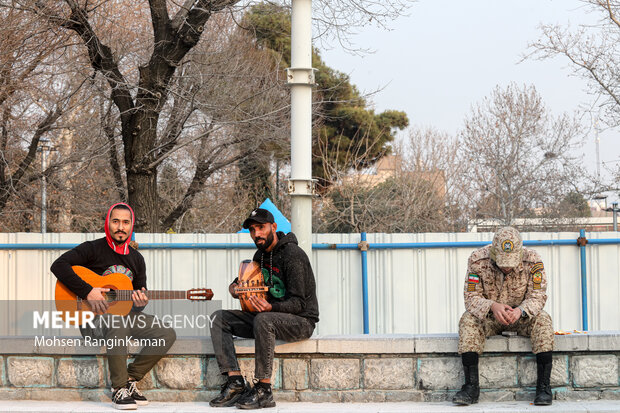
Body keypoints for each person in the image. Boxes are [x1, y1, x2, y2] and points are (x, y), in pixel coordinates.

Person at [51, 203, 176, 410]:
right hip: (91, 321)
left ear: (131, 225)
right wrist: (87, 291)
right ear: (108, 223)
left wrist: (139, 304)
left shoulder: (137, 259)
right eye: (116, 221)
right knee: (116, 320)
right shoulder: (92, 249)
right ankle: (118, 389)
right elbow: (58, 265)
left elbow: (133, 303)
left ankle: (130, 379)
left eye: (125, 222)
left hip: (120, 318)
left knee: (166, 333)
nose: (121, 227)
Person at [209, 208, 319, 409]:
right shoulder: (259, 255)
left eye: (261, 227)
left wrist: (271, 306)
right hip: (267, 318)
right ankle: (235, 383)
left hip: (301, 320)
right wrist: (234, 288)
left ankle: (264, 390)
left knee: (263, 319)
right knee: (219, 317)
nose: (256, 234)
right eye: (252, 230)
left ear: (273, 227)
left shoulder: (293, 255)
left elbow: (300, 303)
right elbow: (243, 279)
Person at [453, 227, 554, 406]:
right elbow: (470, 298)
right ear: (492, 252)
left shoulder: (533, 261)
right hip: (491, 318)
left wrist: (521, 310)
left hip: (522, 317)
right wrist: (492, 306)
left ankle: (544, 388)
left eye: (511, 263)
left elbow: (538, 296)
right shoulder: (477, 260)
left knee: (544, 320)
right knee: (468, 321)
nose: (506, 267)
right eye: (502, 262)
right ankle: (470, 387)